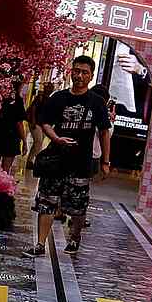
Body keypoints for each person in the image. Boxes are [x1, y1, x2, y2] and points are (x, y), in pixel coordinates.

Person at [24, 56, 111, 257]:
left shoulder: (96, 102)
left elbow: (105, 132)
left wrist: (106, 161)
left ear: (90, 75)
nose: (79, 75)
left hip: (81, 162)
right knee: (46, 202)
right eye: (76, 71)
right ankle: (39, 244)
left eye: (84, 72)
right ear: (71, 71)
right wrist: (56, 138)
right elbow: (45, 122)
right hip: (55, 160)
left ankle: (74, 238)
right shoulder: (58, 98)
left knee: (78, 207)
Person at [26, 82, 54, 167]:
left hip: (42, 124)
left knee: (38, 142)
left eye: (51, 88)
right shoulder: (40, 97)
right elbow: (34, 108)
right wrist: (33, 120)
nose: (50, 89)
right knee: (38, 141)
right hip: (35, 123)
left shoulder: (49, 99)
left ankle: (30, 160)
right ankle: (32, 160)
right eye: (49, 87)